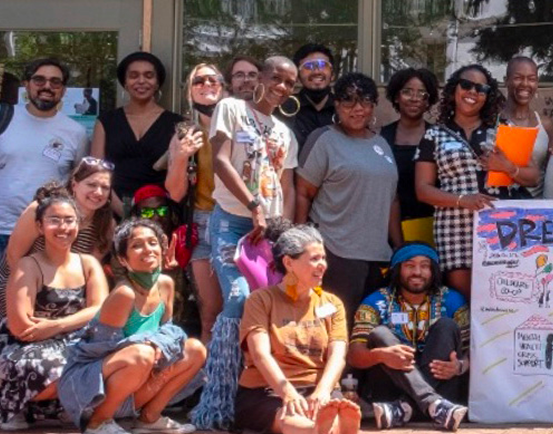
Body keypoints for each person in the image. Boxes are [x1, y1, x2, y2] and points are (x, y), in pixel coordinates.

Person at [192, 56, 300, 430]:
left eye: (289, 83)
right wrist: (254, 206)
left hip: (268, 231)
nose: (281, 87)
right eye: (276, 78)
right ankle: (216, 400)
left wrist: (283, 229)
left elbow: (285, 186)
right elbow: (221, 161)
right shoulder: (232, 108)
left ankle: (253, 395)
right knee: (237, 297)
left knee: (267, 306)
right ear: (260, 78)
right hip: (232, 221)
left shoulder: (285, 132)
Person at [0, 57, 89, 326]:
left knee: (37, 308)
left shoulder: (76, 132)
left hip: (44, 235)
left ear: (64, 90)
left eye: (55, 82)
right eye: (39, 80)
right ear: (26, 85)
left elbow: (76, 186)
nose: (47, 86)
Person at [58, 219, 207, 434]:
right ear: (122, 259)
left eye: (152, 242)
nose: (148, 249)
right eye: (137, 245)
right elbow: (99, 350)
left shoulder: (166, 284)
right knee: (142, 354)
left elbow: (168, 330)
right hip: (90, 389)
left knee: (195, 349)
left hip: (139, 377)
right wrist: (150, 345)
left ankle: (149, 418)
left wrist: (157, 346)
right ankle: (97, 422)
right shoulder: (124, 294)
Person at [0, 193, 108, 431]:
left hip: (71, 341)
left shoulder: (89, 263)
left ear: (78, 224)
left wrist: (55, 325)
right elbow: (21, 328)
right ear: (39, 226)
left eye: (69, 220)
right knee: (58, 368)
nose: (63, 227)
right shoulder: (27, 265)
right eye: (54, 220)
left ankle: (63, 406)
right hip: (21, 346)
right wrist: (70, 323)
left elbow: (100, 309)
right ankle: (16, 403)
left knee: (107, 362)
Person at [416, 65, 535, 300]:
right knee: (463, 302)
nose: (473, 91)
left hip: (500, 227)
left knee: (501, 301)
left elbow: (533, 176)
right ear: (453, 90)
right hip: (454, 226)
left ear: (488, 95)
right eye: (466, 85)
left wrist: (507, 167)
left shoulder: (503, 129)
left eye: (481, 88)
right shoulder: (435, 134)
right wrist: (463, 200)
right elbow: (423, 189)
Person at [233, 225, 361, 434]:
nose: (322, 265)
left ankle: (329, 426)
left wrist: (322, 391)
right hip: (268, 391)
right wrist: (288, 394)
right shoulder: (261, 300)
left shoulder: (332, 303)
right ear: (288, 262)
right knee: (289, 419)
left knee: (327, 412)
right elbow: (260, 355)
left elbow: (337, 356)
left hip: (320, 388)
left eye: (323, 258)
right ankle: (319, 429)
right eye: (314, 259)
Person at [296, 73, 401, 320]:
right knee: (334, 328)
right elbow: (303, 192)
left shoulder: (381, 145)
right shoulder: (324, 139)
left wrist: (399, 246)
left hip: (378, 256)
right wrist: (300, 245)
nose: (357, 109)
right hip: (336, 253)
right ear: (337, 105)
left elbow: (392, 199)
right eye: (348, 102)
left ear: (374, 105)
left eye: (365, 102)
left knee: (369, 330)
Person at [346, 243, 469, 431]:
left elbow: (475, 353)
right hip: (391, 391)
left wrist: (458, 367)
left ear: (434, 270)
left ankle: (405, 408)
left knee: (446, 325)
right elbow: (354, 356)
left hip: (439, 391)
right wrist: (381, 355)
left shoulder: (452, 300)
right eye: (409, 266)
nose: (417, 272)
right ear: (397, 270)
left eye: (425, 266)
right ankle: (432, 404)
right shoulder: (376, 301)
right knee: (380, 334)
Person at [0, 158, 115, 332]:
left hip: (65, 292)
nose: (98, 192)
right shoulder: (40, 210)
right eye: (91, 185)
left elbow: (90, 273)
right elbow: (14, 256)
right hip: (20, 282)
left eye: (105, 187)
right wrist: (31, 297)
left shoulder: (106, 224)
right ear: (74, 184)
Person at [91, 51, 186, 207]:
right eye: (134, 76)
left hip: (161, 212)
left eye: (149, 76)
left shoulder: (177, 124)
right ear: (125, 83)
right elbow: (96, 173)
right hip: (111, 210)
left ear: (157, 83)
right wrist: (121, 211)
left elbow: (178, 177)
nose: (141, 81)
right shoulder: (106, 122)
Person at [182, 63, 225, 343]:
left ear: (223, 87)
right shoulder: (184, 131)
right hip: (201, 221)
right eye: (199, 80)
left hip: (238, 220)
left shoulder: (239, 127)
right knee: (209, 313)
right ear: (190, 89)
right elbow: (175, 192)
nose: (206, 84)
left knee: (239, 309)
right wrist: (180, 155)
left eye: (213, 79)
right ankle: (210, 383)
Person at [382, 68, 440, 245]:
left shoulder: (439, 136)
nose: (414, 98)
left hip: (432, 225)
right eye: (407, 92)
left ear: (428, 101)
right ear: (397, 97)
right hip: (388, 226)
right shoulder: (380, 138)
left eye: (421, 93)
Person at [500, 57, 552, 198]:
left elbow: (550, 170)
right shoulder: (494, 121)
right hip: (500, 208)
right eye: (518, 78)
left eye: (531, 79)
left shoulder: (545, 124)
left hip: (536, 209)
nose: (525, 84)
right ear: (506, 81)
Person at [284, 44, 338, 147]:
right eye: (308, 66)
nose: (317, 71)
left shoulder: (344, 108)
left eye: (323, 65)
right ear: (297, 77)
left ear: (333, 75)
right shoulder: (285, 108)